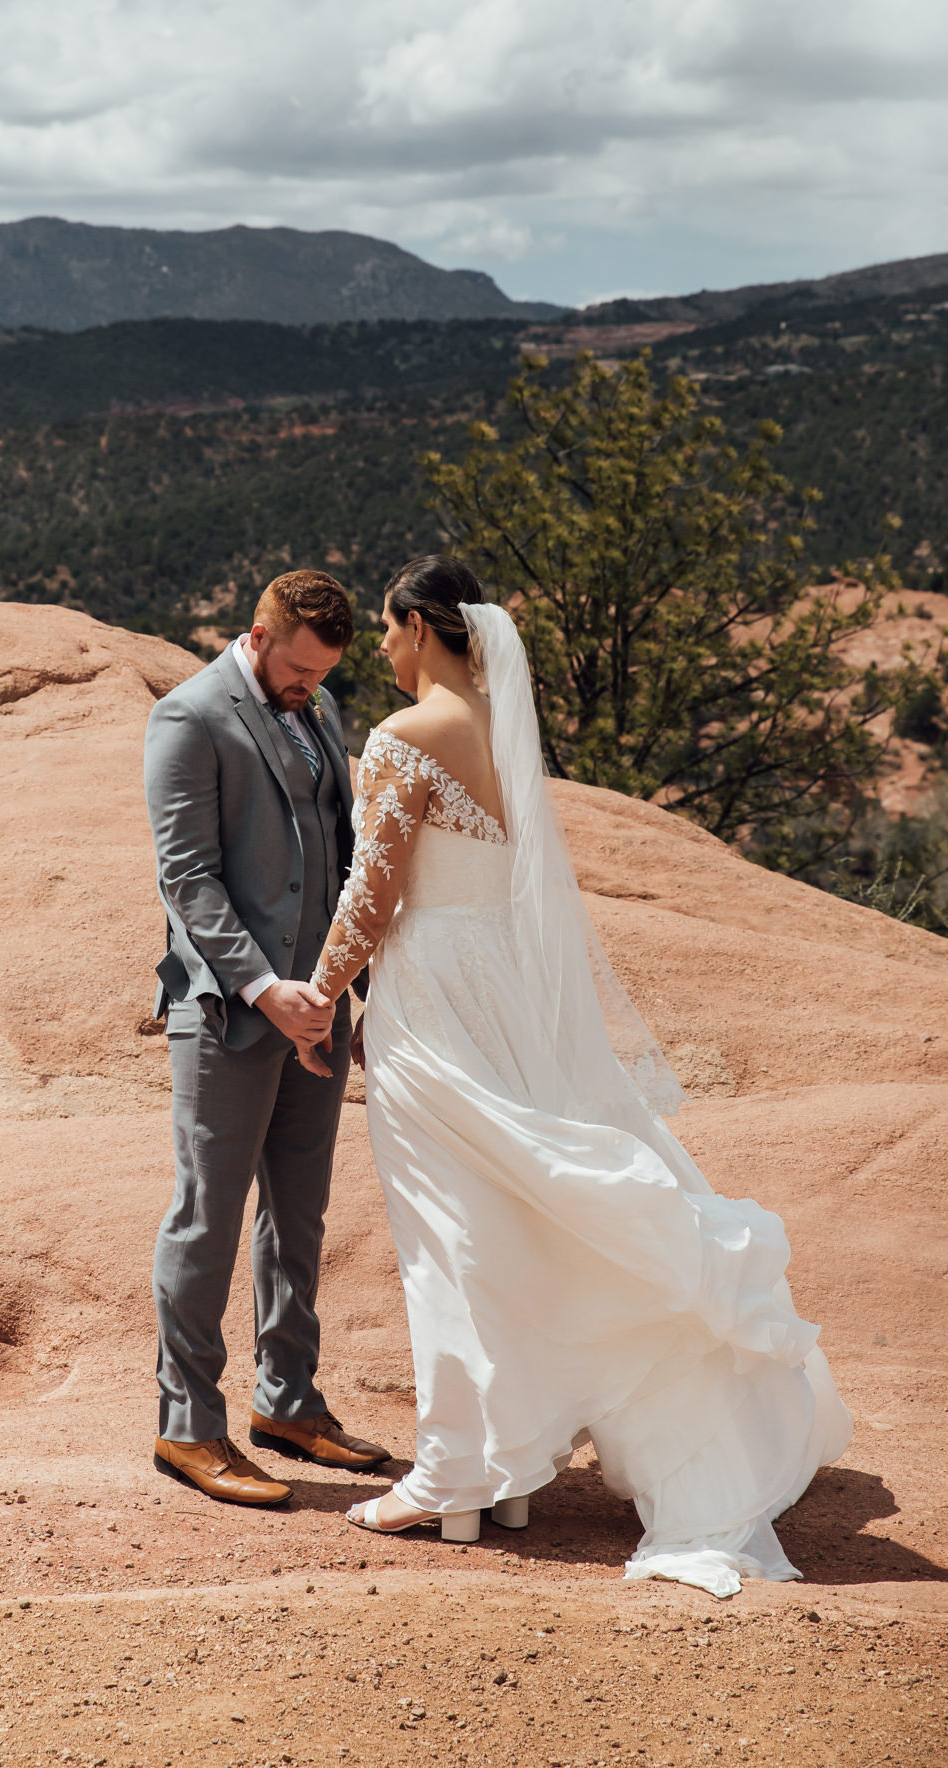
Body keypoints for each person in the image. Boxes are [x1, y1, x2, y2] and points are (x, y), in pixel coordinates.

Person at [294, 554, 851, 1596]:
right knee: (519, 1218)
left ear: (421, 625)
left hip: (436, 992)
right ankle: (506, 1472)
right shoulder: (509, 730)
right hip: (509, 987)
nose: (379, 646)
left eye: (385, 626)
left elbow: (372, 899)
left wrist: (318, 997)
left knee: (449, 1230)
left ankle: (457, 1471)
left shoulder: (401, 738)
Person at [143, 569, 391, 1507]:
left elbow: (337, 858)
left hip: (318, 1007)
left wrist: (347, 991)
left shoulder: (316, 708)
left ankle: (286, 1398)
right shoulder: (188, 718)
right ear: (258, 633)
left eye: (322, 674)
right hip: (227, 1013)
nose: (309, 687)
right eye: (296, 669)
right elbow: (188, 876)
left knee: (300, 1209)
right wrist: (262, 988)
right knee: (206, 1216)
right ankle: (187, 1427)